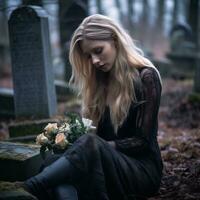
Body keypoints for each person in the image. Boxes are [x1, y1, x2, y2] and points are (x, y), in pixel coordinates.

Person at [19, 14, 163, 200]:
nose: (94, 61)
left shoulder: (146, 78)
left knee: (89, 143)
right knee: (54, 161)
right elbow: (96, 141)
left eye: (98, 50)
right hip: (106, 164)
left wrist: (98, 146)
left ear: (115, 40)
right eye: (89, 55)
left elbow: (143, 142)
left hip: (140, 170)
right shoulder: (100, 82)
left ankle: (29, 187)